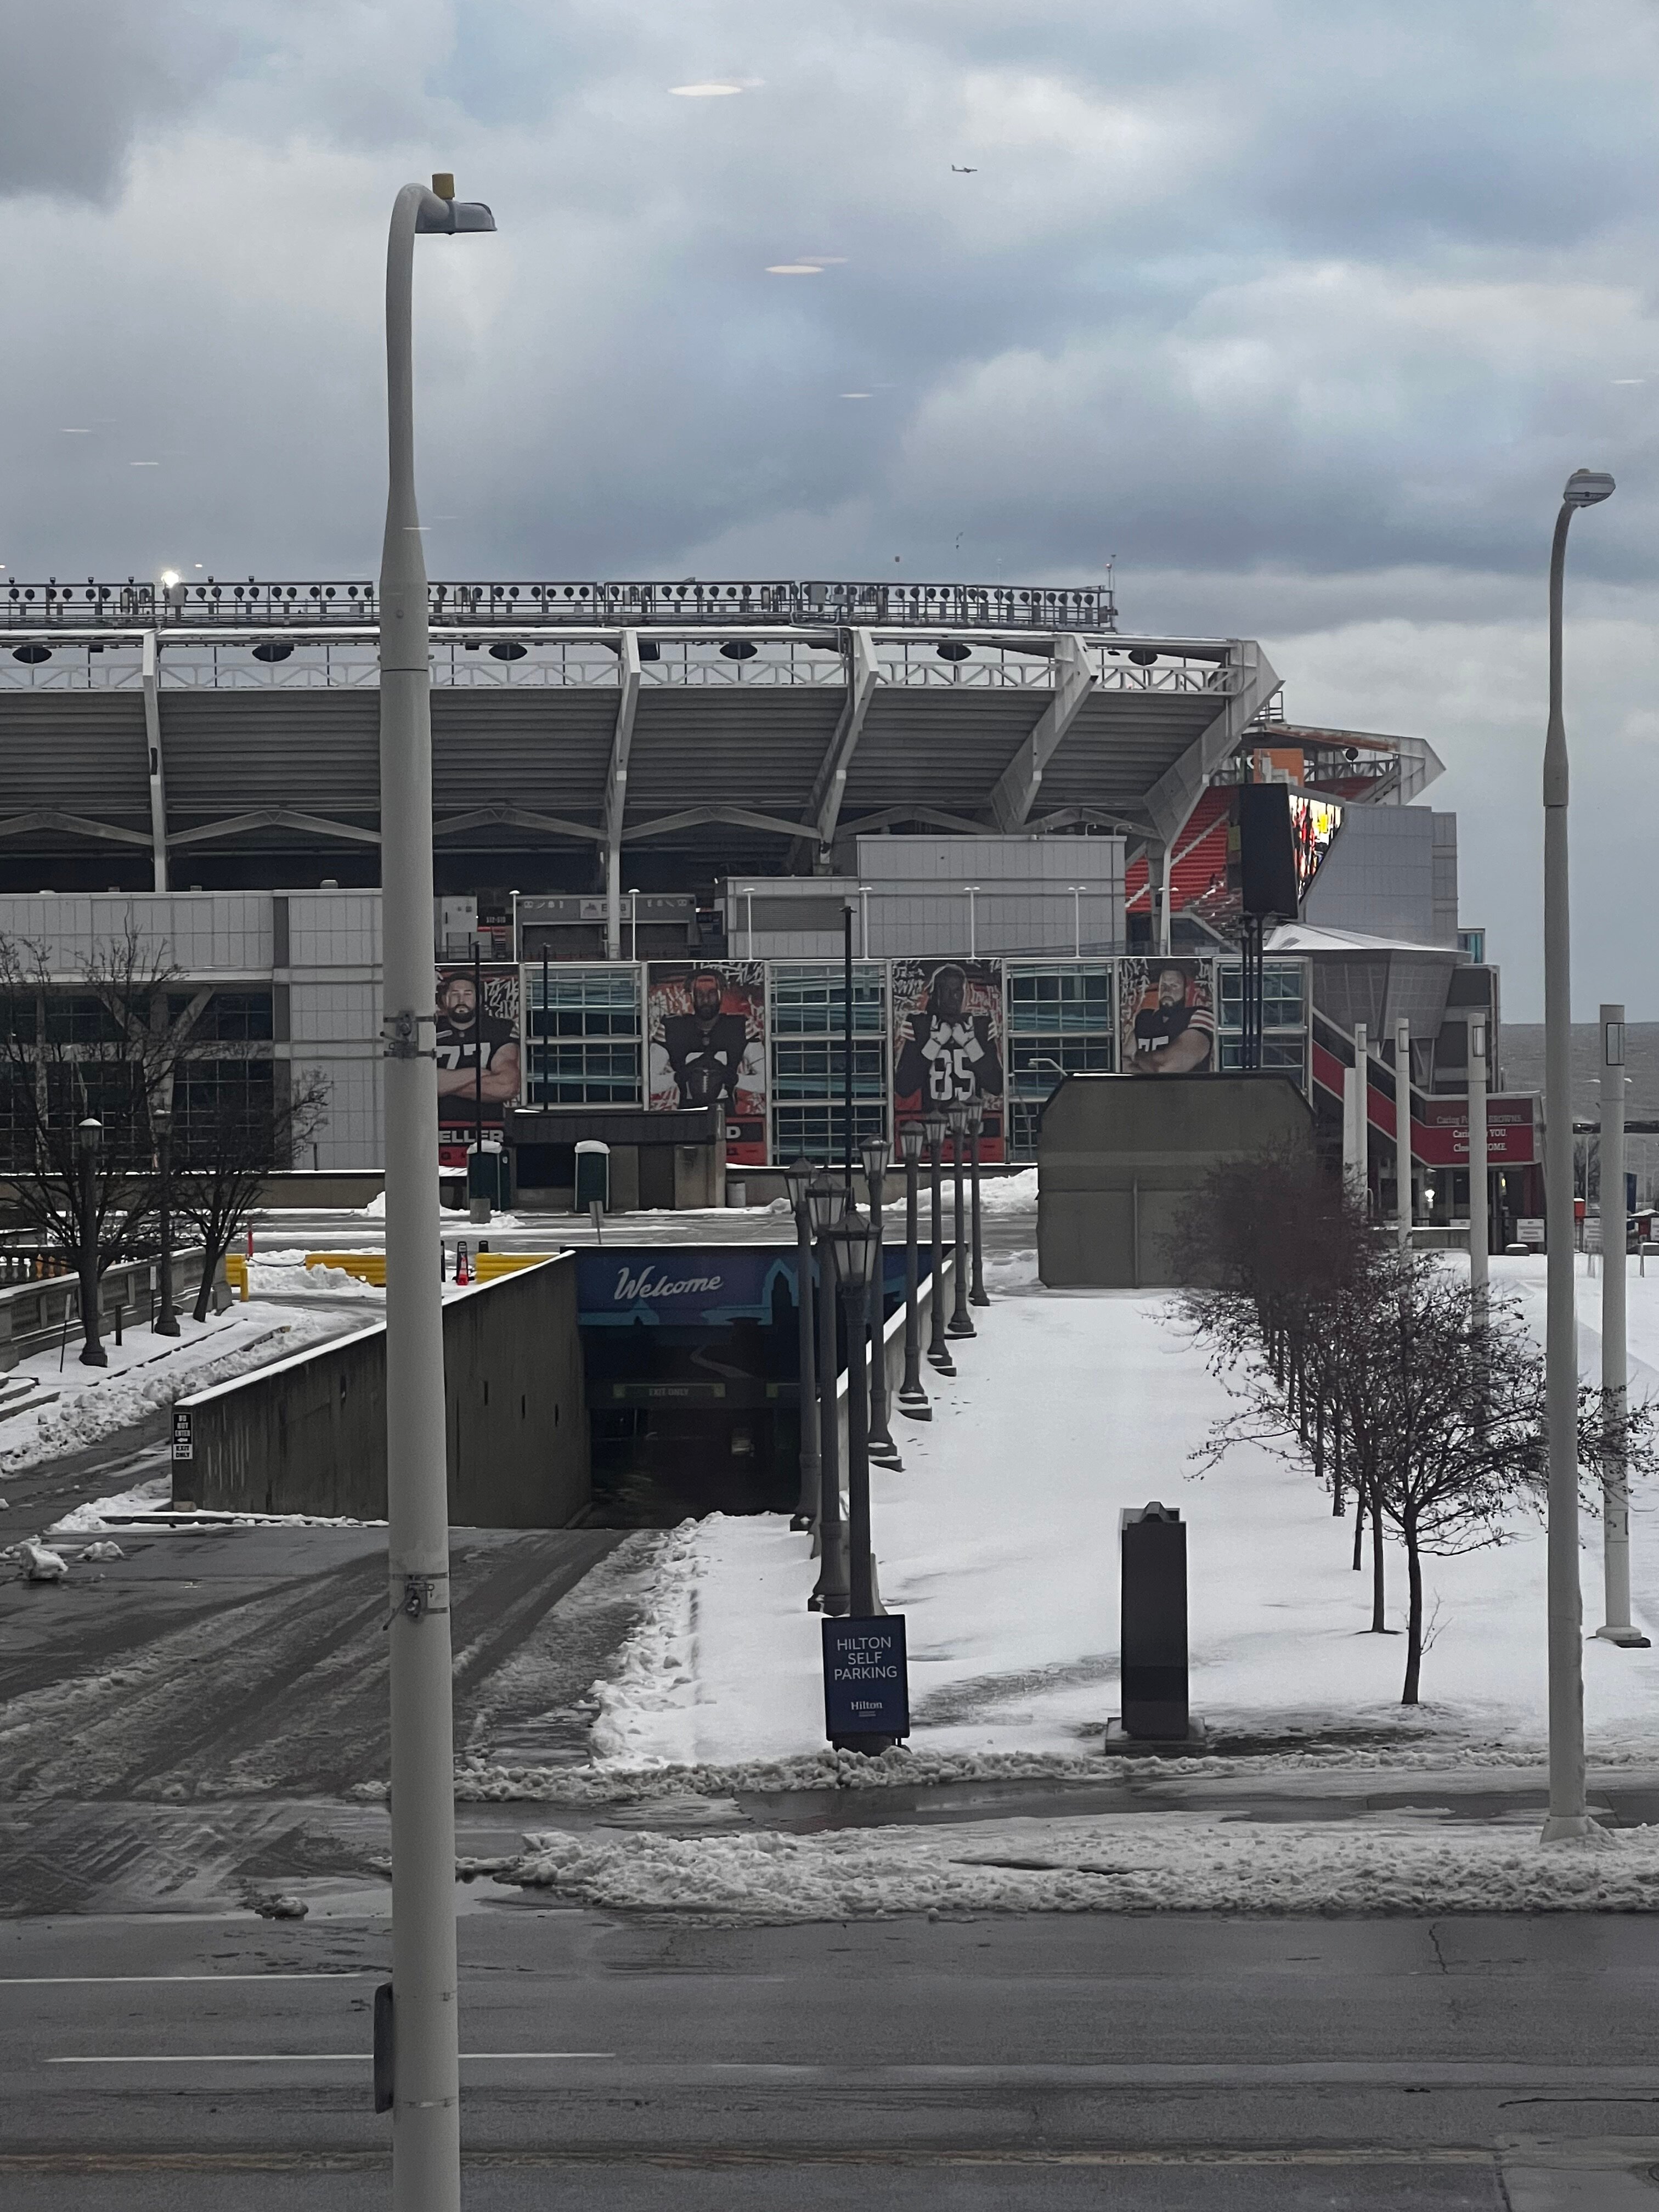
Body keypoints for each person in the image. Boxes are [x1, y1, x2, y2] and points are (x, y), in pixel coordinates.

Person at [895, 961, 1004, 1109]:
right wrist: (935, 1043)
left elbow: (996, 1086)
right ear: (935, 993)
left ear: (965, 993)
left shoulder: (980, 1025)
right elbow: (904, 1087)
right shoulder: (919, 1025)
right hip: (931, 1123)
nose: (953, 997)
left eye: (957, 990)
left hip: (974, 1124)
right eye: (946, 990)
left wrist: (970, 1044)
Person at [657, 970, 758, 1109]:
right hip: (686, 1113)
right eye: (699, 994)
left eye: (711, 994)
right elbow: (649, 1082)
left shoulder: (740, 1026)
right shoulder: (672, 1027)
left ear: (721, 994)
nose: (705, 1000)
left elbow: (765, 1080)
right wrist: (680, 1076)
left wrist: (732, 1078)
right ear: (691, 996)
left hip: (727, 1114)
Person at [434, 970, 521, 1113]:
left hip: (490, 1126)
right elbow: (418, 1082)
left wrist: (442, 1085)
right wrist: (480, 1073)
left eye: (468, 994)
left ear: (478, 999)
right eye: (455, 994)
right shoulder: (430, 1030)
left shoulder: (499, 1030)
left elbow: (507, 1087)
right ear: (445, 1000)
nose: (461, 1001)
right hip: (435, 1124)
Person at [1126, 960, 1215, 1075]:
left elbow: (1166, 1067)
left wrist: (1138, 1056)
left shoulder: (1201, 1016)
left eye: (1174, 986)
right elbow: (1123, 1061)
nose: (1167, 991)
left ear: (1187, 991)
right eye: (1163, 986)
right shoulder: (1145, 1018)